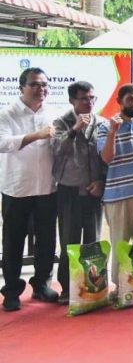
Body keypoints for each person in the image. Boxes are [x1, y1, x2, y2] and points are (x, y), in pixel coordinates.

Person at [0, 68, 57, 312]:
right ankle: (12, 290)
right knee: (13, 242)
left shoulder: (53, 114)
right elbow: (2, 143)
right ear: (21, 87)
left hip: (46, 188)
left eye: (44, 84)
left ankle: (42, 284)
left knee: (46, 241)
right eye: (34, 84)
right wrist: (37, 135)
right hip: (17, 189)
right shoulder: (7, 114)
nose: (41, 89)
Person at [97, 83, 133, 297]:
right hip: (117, 195)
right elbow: (106, 158)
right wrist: (113, 131)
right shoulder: (105, 126)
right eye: (130, 98)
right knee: (120, 243)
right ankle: (120, 287)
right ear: (119, 101)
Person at [52, 80, 105, 305]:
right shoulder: (61, 122)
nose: (89, 102)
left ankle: (93, 285)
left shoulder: (103, 123)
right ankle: (67, 287)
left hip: (94, 191)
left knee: (92, 241)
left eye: (92, 98)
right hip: (69, 190)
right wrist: (75, 130)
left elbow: (106, 157)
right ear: (72, 100)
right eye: (84, 98)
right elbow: (56, 150)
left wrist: (101, 181)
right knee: (69, 241)